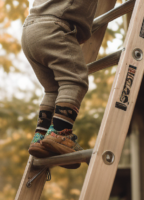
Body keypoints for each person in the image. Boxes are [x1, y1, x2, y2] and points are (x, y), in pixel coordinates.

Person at [21, 0, 98, 169]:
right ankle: (60, 133)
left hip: (30, 30)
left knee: (52, 90)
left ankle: (41, 137)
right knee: (74, 80)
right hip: (54, 27)